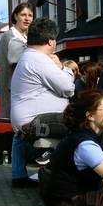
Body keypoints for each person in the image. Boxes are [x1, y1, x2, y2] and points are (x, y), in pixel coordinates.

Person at [9, 18, 75, 188]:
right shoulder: (40, 60)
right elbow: (68, 88)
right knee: (82, 122)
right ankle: (53, 159)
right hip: (37, 122)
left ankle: (19, 175)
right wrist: (63, 68)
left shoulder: (27, 57)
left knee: (18, 138)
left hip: (23, 122)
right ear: (51, 41)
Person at [0, 3, 35, 119]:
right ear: (15, 16)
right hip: (13, 94)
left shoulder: (24, 37)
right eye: (23, 15)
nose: (27, 18)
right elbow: (24, 62)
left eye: (30, 15)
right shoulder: (10, 37)